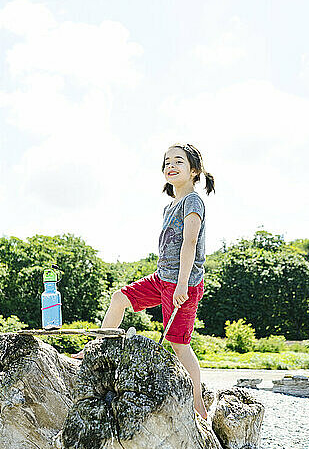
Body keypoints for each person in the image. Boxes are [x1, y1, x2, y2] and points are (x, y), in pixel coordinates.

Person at [71, 142, 215, 420]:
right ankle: (93, 349)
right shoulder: (168, 207)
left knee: (179, 343)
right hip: (162, 278)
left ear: (194, 170)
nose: (171, 166)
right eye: (167, 162)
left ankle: (198, 404)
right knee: (119, 298)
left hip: (183, 283)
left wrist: (183, 285)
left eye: (178, 162)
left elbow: (190, 243)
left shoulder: (192, 201)